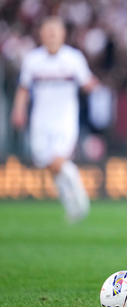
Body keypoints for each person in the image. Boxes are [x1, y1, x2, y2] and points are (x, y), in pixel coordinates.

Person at [11, 16, 100, 223]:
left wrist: (96, 87)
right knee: (48, 165)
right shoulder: (33, 60)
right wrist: (18, 110)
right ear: (41, 34)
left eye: (55, 31)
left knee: (58, 161)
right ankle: (72, 207)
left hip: (64, 120)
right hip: (40, 121)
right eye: (48, 30)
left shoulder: (73, 58)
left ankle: (81, 199)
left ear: (63, 35)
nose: (51, 35)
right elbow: (23, 88)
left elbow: (88, 82)